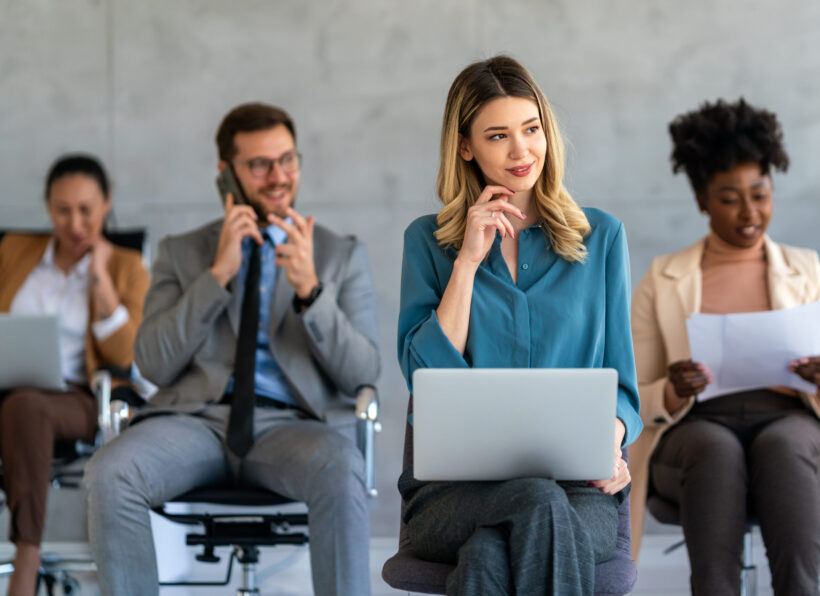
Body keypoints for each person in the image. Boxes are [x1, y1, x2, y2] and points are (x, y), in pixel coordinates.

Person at [84, 103, 380, 596]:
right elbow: (153, 362)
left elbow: (364, 372)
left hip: (294, 428)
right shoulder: (183, 253)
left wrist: (311, 292)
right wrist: (216, 275)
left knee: (341, 465)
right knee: (110, 472)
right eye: (259, 164)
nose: (278, 176)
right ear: (226, 174)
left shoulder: (338, 255)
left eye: (287, 160)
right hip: (193, 423)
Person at [396, 55, 642, 595]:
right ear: (466, 147)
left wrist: (613, 436)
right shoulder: (427, 242)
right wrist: (466, 260)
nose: (521, 151)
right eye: (498, 135)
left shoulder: (601, 237)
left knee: (489, 554)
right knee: (534, 502)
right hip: (453, 495)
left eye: (531, 130)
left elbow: (622, 383)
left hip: (579, 489)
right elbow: (424, 377)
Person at [629, 98, 820, 595]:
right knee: (714, 451)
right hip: (696, 427)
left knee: (786, 444)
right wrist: (673, 389)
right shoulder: (663, 278)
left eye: (760, 193)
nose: (750, 212)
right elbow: (631, 393)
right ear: (701, 200)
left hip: (791, 419)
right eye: (730, 197)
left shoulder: (810, 272)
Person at [0, 154, 148, 596]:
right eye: (63, 210)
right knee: (19, 404)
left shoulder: (126, 267)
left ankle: (27, 554)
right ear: (48, 208)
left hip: (81, 398)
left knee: (26, 406)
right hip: (7, 388)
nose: (75, 222)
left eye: (86, 209)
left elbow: (131, 355)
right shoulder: (13, 251)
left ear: (107, 204)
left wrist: (99, 277)